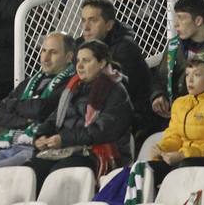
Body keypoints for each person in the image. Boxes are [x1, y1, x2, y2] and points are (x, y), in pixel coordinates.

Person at [0, 32, 74, 185]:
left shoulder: (70, 84)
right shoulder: (29, 82)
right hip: (10, 145)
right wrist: (25, 120)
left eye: (53, 52)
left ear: (68, 57)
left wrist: (13, 106)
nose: (45, 58)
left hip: (35, 150)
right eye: (43, 50)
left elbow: (41, 109)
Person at [30, 39, 134, 185]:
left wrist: (63, 139)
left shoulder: (115, 90)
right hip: (68, 150)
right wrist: (41, 137)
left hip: (96, 153)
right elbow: (53, 120)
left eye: (86, 60)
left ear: (102, 63)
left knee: (59, 175)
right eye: (78, 60)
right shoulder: (72, 88)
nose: (79, 66)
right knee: (30, 171)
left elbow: (101, 131)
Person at [150, 53, 204, 183]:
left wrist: (184, 154)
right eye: (187, 74)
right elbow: (174, 136)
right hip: (183, 159)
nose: (189, 80)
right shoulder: (180, 103)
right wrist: (162, 149)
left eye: (196, 75)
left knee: (185, 167)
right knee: (148, 170)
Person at [152, 0, 204, 122]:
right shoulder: (174, 45)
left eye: (181, 18)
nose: (176, 24)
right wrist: (158, 95)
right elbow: (159, 77)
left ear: (198, 21)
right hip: (174, 119)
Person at [79, 0, 154, 125]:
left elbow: (112, 92)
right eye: (83, 20)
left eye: (93, 20)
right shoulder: (80, 45)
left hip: (131, 119)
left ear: (109, 25)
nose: (86, 27)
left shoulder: (125, 48)